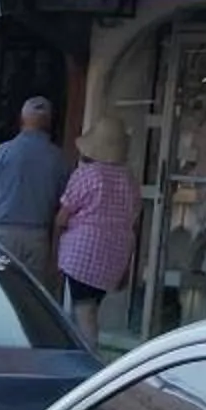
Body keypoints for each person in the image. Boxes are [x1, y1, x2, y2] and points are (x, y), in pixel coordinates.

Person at [54, 118, 140, 350]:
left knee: (84, 310)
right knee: (91, 306)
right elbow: (134, 220)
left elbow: (63, 215)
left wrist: (55, 237)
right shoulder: (129, 180)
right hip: (115, 254)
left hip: (82, 251)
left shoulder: (86, 175)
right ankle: (83, 350)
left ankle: (89, 361)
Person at [0, 97, 69, 281]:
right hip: (36, 237)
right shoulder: (58, 158)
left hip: (0, 232)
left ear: (22, 119)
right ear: (49, 122)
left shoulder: (3, 151)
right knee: (29, 296)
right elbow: (63, 205)